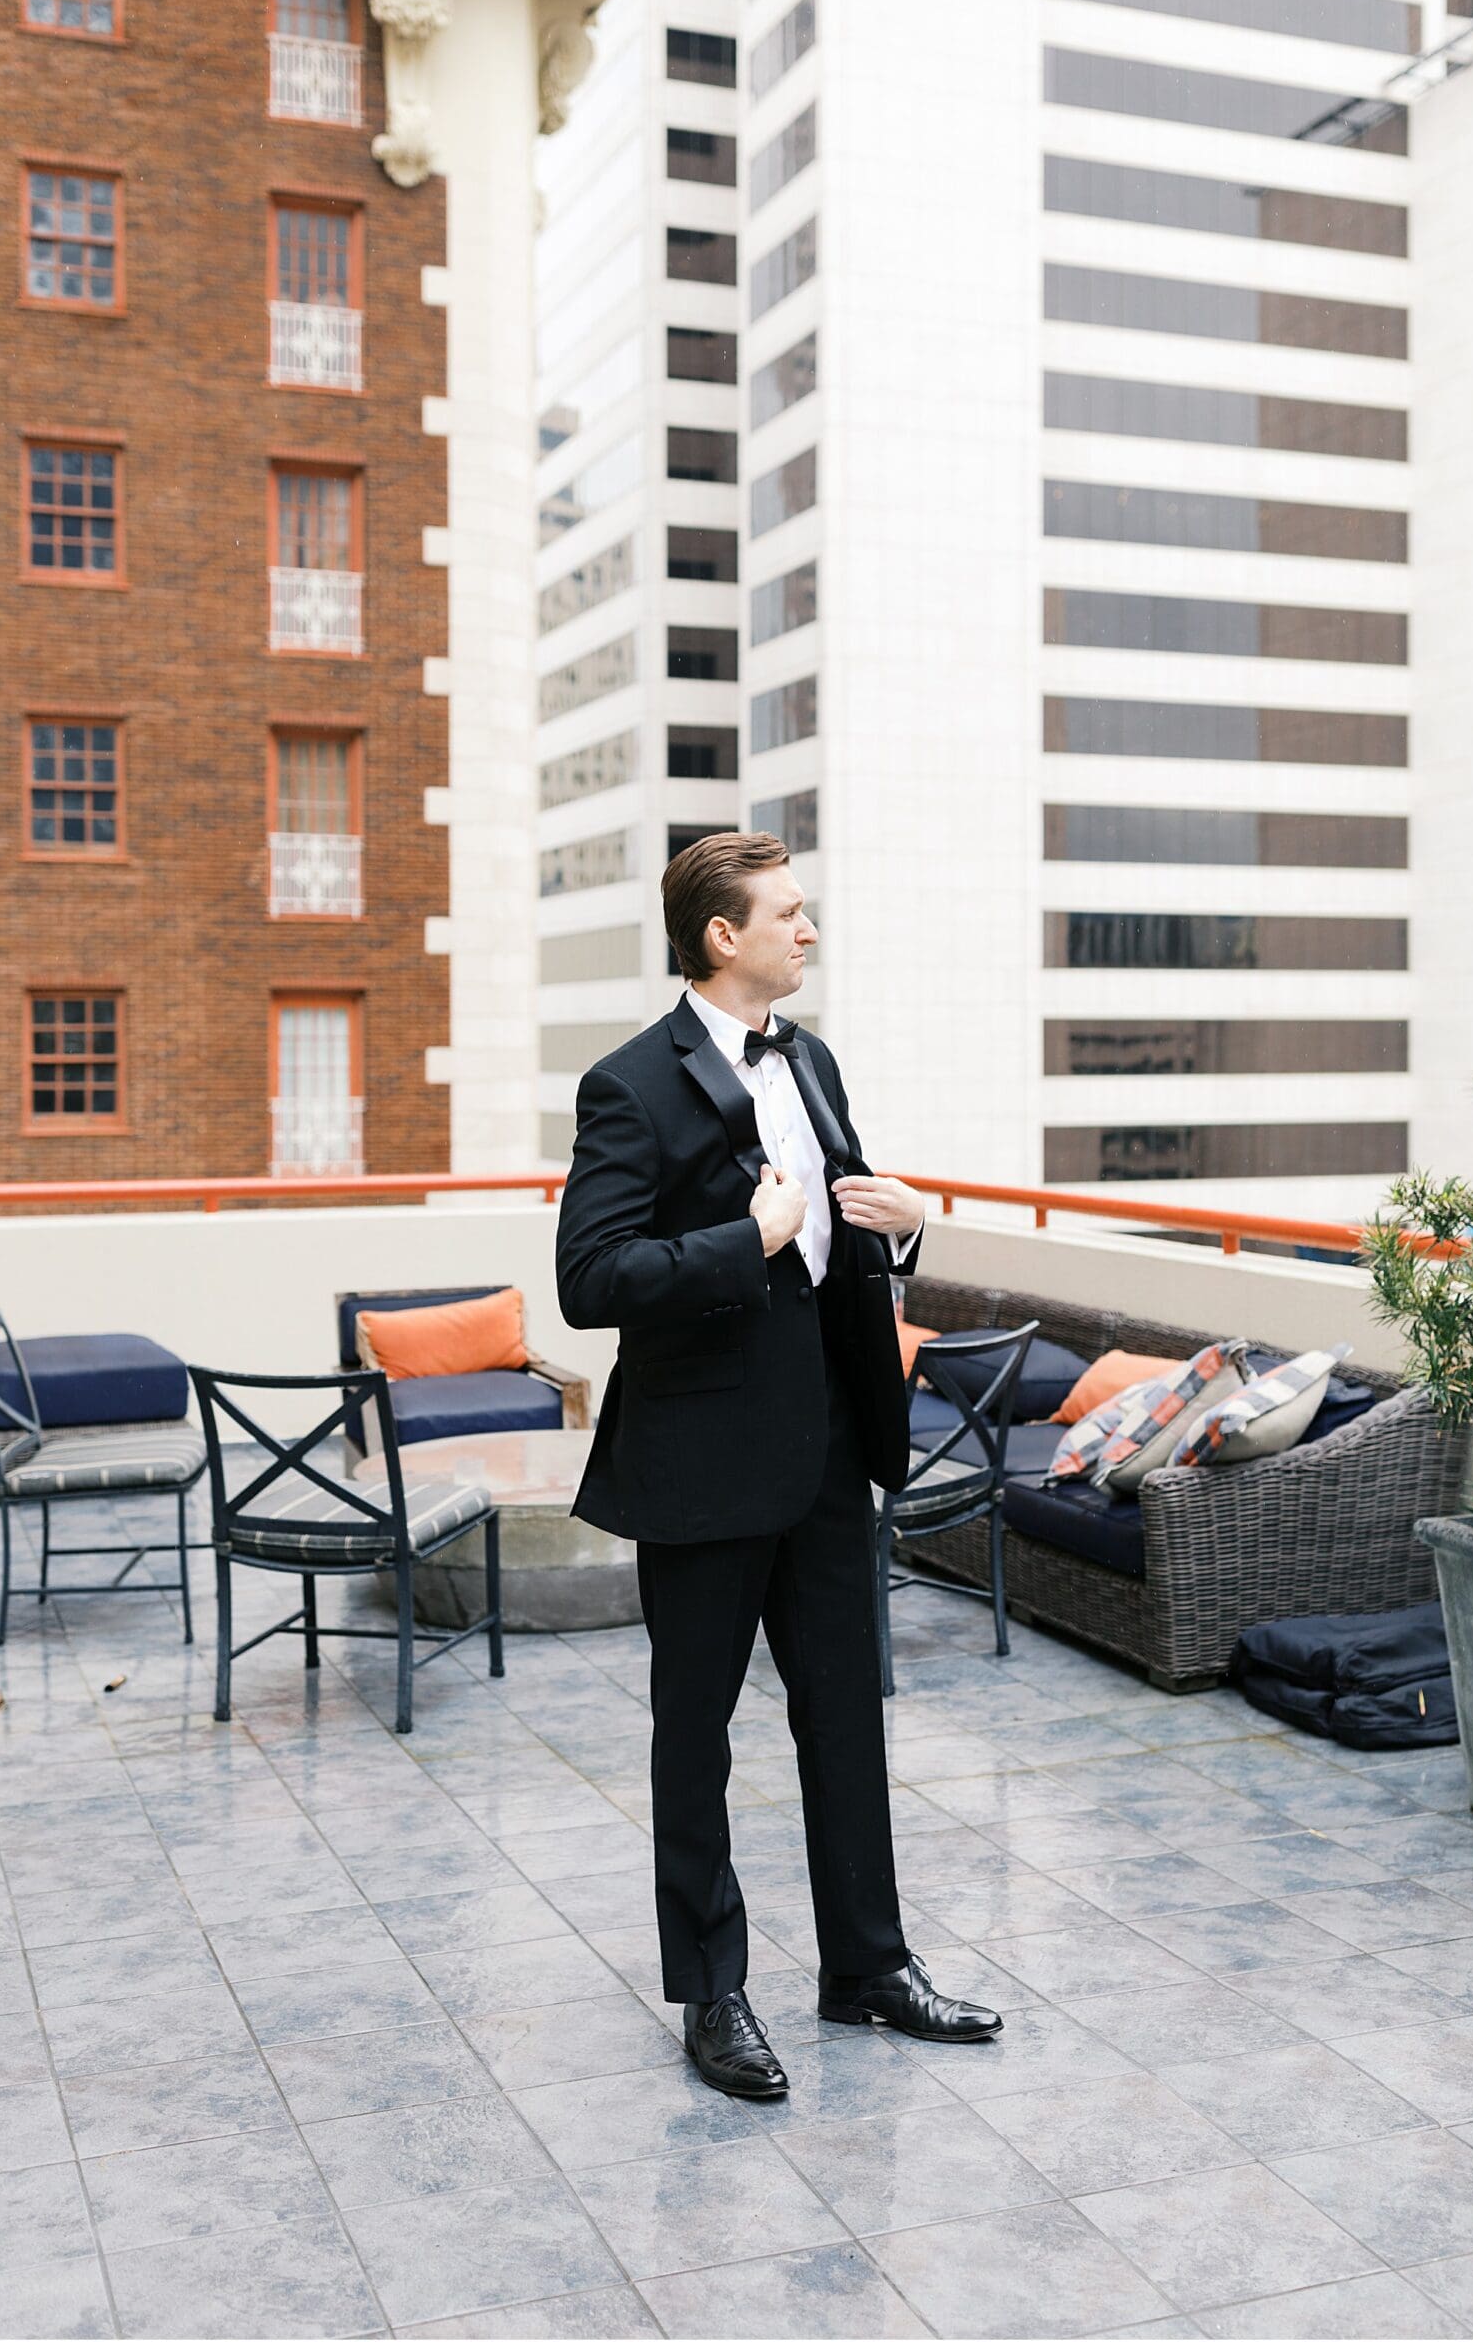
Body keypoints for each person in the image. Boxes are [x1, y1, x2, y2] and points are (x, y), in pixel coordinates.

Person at [555, 831, 1001, 2099]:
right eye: (789, 914)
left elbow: (837, 1223)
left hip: (822, 1443)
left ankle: (867, 1965)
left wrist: (902, 1229)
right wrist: (737, 1242)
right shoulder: (627, 1085)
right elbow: (590, 1280)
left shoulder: (809, 1058)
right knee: (692, 1733)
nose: (808, 932)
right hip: (698, 1462)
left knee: (845, 1712)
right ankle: (712, 1994)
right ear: (721, 937)